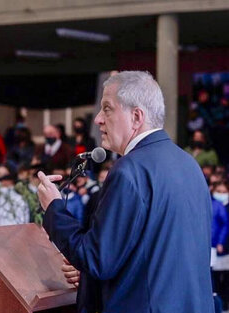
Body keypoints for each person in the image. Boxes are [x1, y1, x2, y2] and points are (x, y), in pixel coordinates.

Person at [37, 71, 214, 313]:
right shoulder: (188, 164)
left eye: (107, 108)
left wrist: (54, 208)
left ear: (136, 116)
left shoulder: (129, 170)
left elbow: (97, 259)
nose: (98, 119)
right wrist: (90, 279)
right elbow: (156, 255)